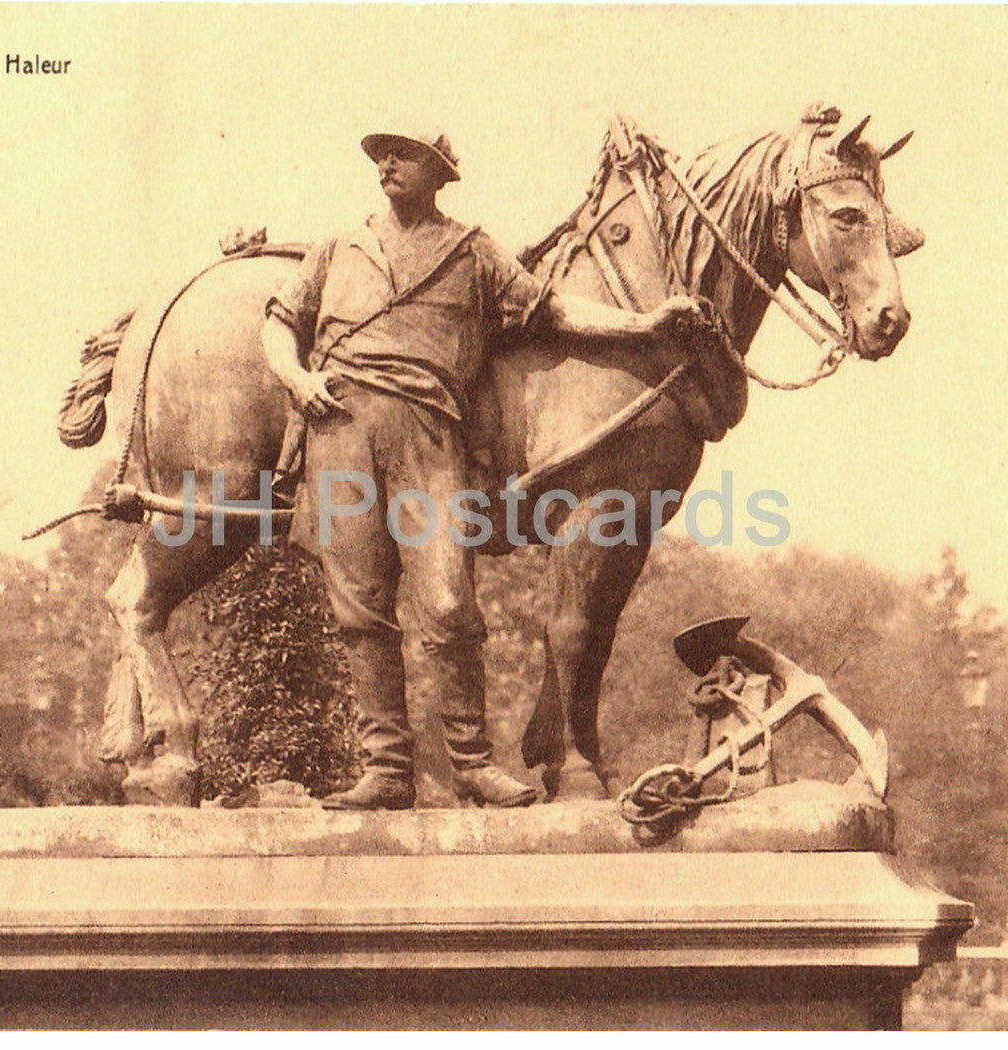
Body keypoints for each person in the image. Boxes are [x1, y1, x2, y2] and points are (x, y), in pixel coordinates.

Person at [263, 126, 699, 810]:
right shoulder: (336, 247)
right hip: (338, 429)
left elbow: (554, 312)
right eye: (381, 155)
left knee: (448, 603)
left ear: (438, 173)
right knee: (360, 608)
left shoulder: (472, 252)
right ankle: (385, 770)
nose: (386, 164)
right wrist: (293, 377)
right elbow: (279, 322)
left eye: (402, 155)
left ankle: (470, 763)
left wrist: (642, 327)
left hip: (429, 433)